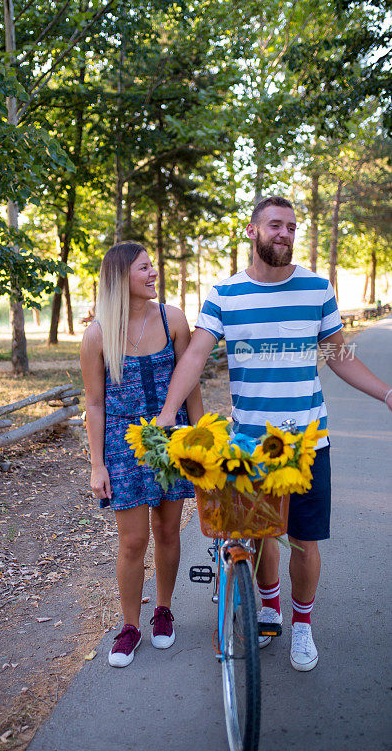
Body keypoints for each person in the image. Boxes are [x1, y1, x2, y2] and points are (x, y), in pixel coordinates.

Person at [157, 195, 392, 672]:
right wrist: (166, 416)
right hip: (249, 447)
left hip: (308, 443)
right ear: (252, 231)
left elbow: (339, 357)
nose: (284, 234)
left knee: (305, 541)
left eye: (291, 227)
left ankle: (303, 626)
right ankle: (269, 608)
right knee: (260, 536)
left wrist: (386, 394)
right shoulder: (224, 295)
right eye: (275, 225)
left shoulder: (317, 289)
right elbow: (196, 358)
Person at [80, 241, 203, 668]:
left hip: (172, 438)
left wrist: (201, 439)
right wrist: (97, 464)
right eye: (144, 268)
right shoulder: (98, 334)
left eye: (153, 267)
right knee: (133, 541)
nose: (153, 274)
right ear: (120, 278)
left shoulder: (174, 320)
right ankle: (129, 626)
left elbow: (190, 385)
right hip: (122, 444)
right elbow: (94, 404)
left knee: (168, 532)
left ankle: (163, 610)